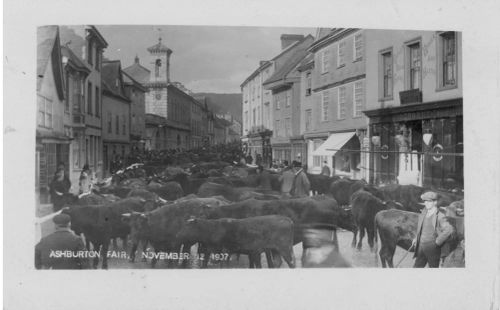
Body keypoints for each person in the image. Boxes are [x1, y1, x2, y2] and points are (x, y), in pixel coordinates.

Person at [412, 191, 454, 268]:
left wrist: (437, 242)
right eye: (425, 201)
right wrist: (416, 238)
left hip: (432, 248)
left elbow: (449, 229)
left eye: (429, 201)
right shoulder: (423, 214)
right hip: (421, 247)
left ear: (435, 202)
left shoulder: (440, 216)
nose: (426, 203)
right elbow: (422, 228)